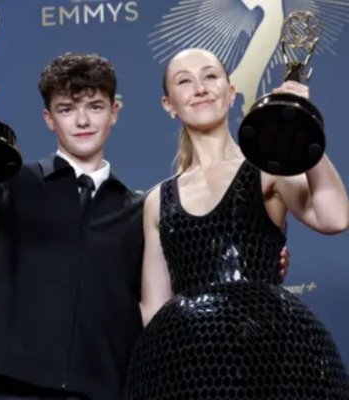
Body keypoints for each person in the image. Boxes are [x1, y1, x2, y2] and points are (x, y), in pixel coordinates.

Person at [0, 53, 290, 400]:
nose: (82, 121)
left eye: (95, 107)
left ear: (114, 112)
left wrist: (252, 255)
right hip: (10, 389)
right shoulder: (10, 187)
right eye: (66, 109)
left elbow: (180, 285)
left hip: (105, 393)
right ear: (48, 118)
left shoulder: (142, 211)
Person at [127, 48, 349, 399]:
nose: (200, 88)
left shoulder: (266, 168)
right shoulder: (158, 200)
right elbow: (154, 307)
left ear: (231, 92)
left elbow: (334, 217)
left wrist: (303, 123)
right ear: (169, 105)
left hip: (270, 356)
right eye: (184, 81)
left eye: (210, 76)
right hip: (188, 369)